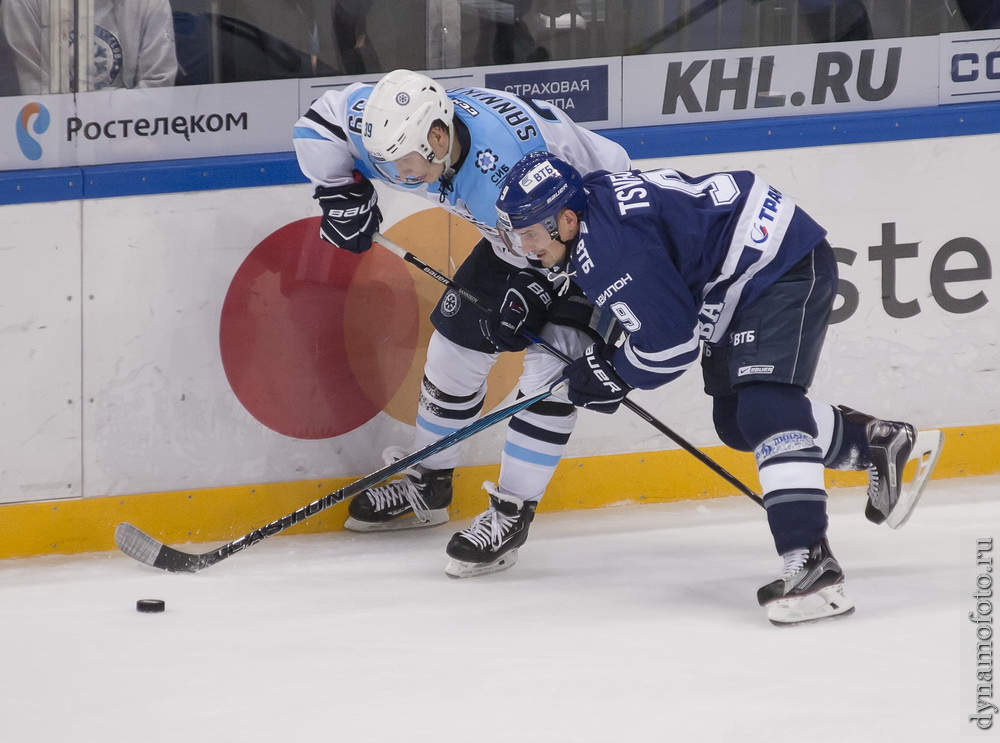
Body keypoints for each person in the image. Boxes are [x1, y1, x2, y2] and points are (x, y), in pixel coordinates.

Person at [491, 151, 943, 624]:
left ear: (565, 220)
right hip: (739, 278)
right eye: (517, 235)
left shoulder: (613, 251)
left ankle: (812, 563)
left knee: (767, 405)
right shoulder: (591, 209)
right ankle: (875, 443)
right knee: (735, 421)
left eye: (530, 234)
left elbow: (671, 349)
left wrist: (615, 372)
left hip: (777, 265)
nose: (526, 247)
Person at [292, 69, 631, 578]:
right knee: (455, 345)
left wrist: (544, 284)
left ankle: (512, 512)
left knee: (554, 370)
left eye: (403, 162)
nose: (397, 175)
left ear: (436, 136)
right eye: (386, 163)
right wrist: (338, 192)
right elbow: (317, 122)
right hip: (515, 232)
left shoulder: (510, 163)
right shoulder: (391, 125)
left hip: (596, 227)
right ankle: (428, 484)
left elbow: (560, 235)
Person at [0, 0, 177, 93]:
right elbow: (34, 95)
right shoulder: (22, 3)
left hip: (129, 135)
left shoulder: (151, 3)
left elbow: (158, 86)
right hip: (51, 140)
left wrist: (114, 136)